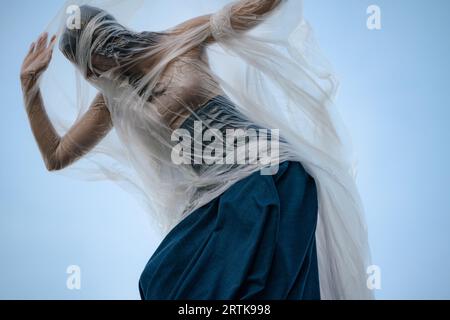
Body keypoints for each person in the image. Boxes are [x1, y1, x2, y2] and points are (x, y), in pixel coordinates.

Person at [20, 0, 373, 300]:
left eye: (89, 57)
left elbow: (248, 11)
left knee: (254, 287)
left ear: (104, 40)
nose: (92, 73)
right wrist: (30, 87)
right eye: (86, 68)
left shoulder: (179, 42)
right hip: (213, 197)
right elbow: (57, 155)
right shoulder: (113, 101)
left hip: (264, 171)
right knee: (161, 279)